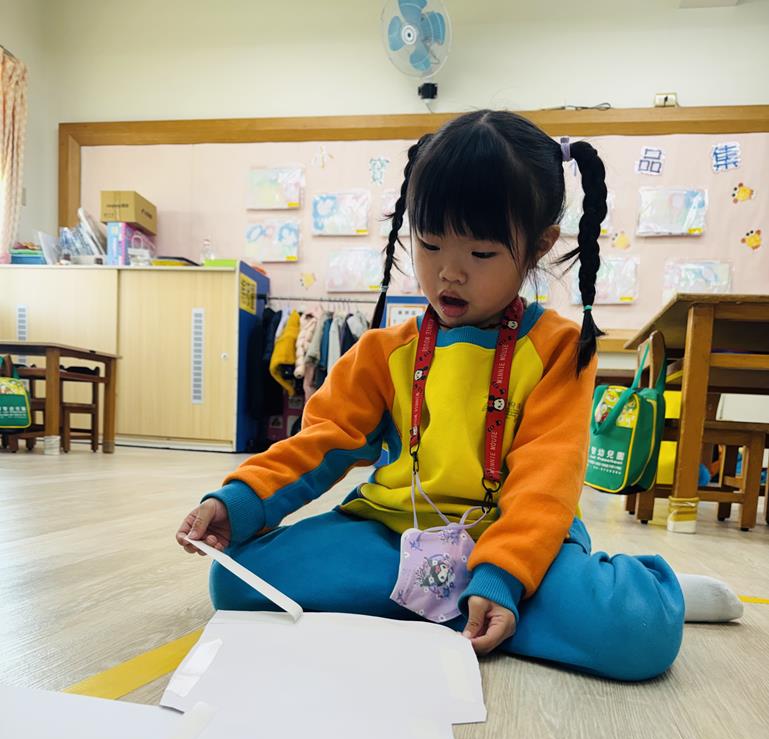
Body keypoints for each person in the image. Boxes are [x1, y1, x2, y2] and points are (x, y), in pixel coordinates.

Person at [176, 110, 742, 682]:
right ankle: (474, 606)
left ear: (539, 246)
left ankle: (575, 591)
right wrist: (239, 500)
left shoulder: (559, 348)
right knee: (236, 582)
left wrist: (503, 574)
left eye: (481, 254)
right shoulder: (382, 352)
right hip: (396, 533)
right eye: (429, 244)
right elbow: (321, 442)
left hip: (518, 537)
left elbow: (546, 479)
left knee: (640, 632)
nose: (449, 273)